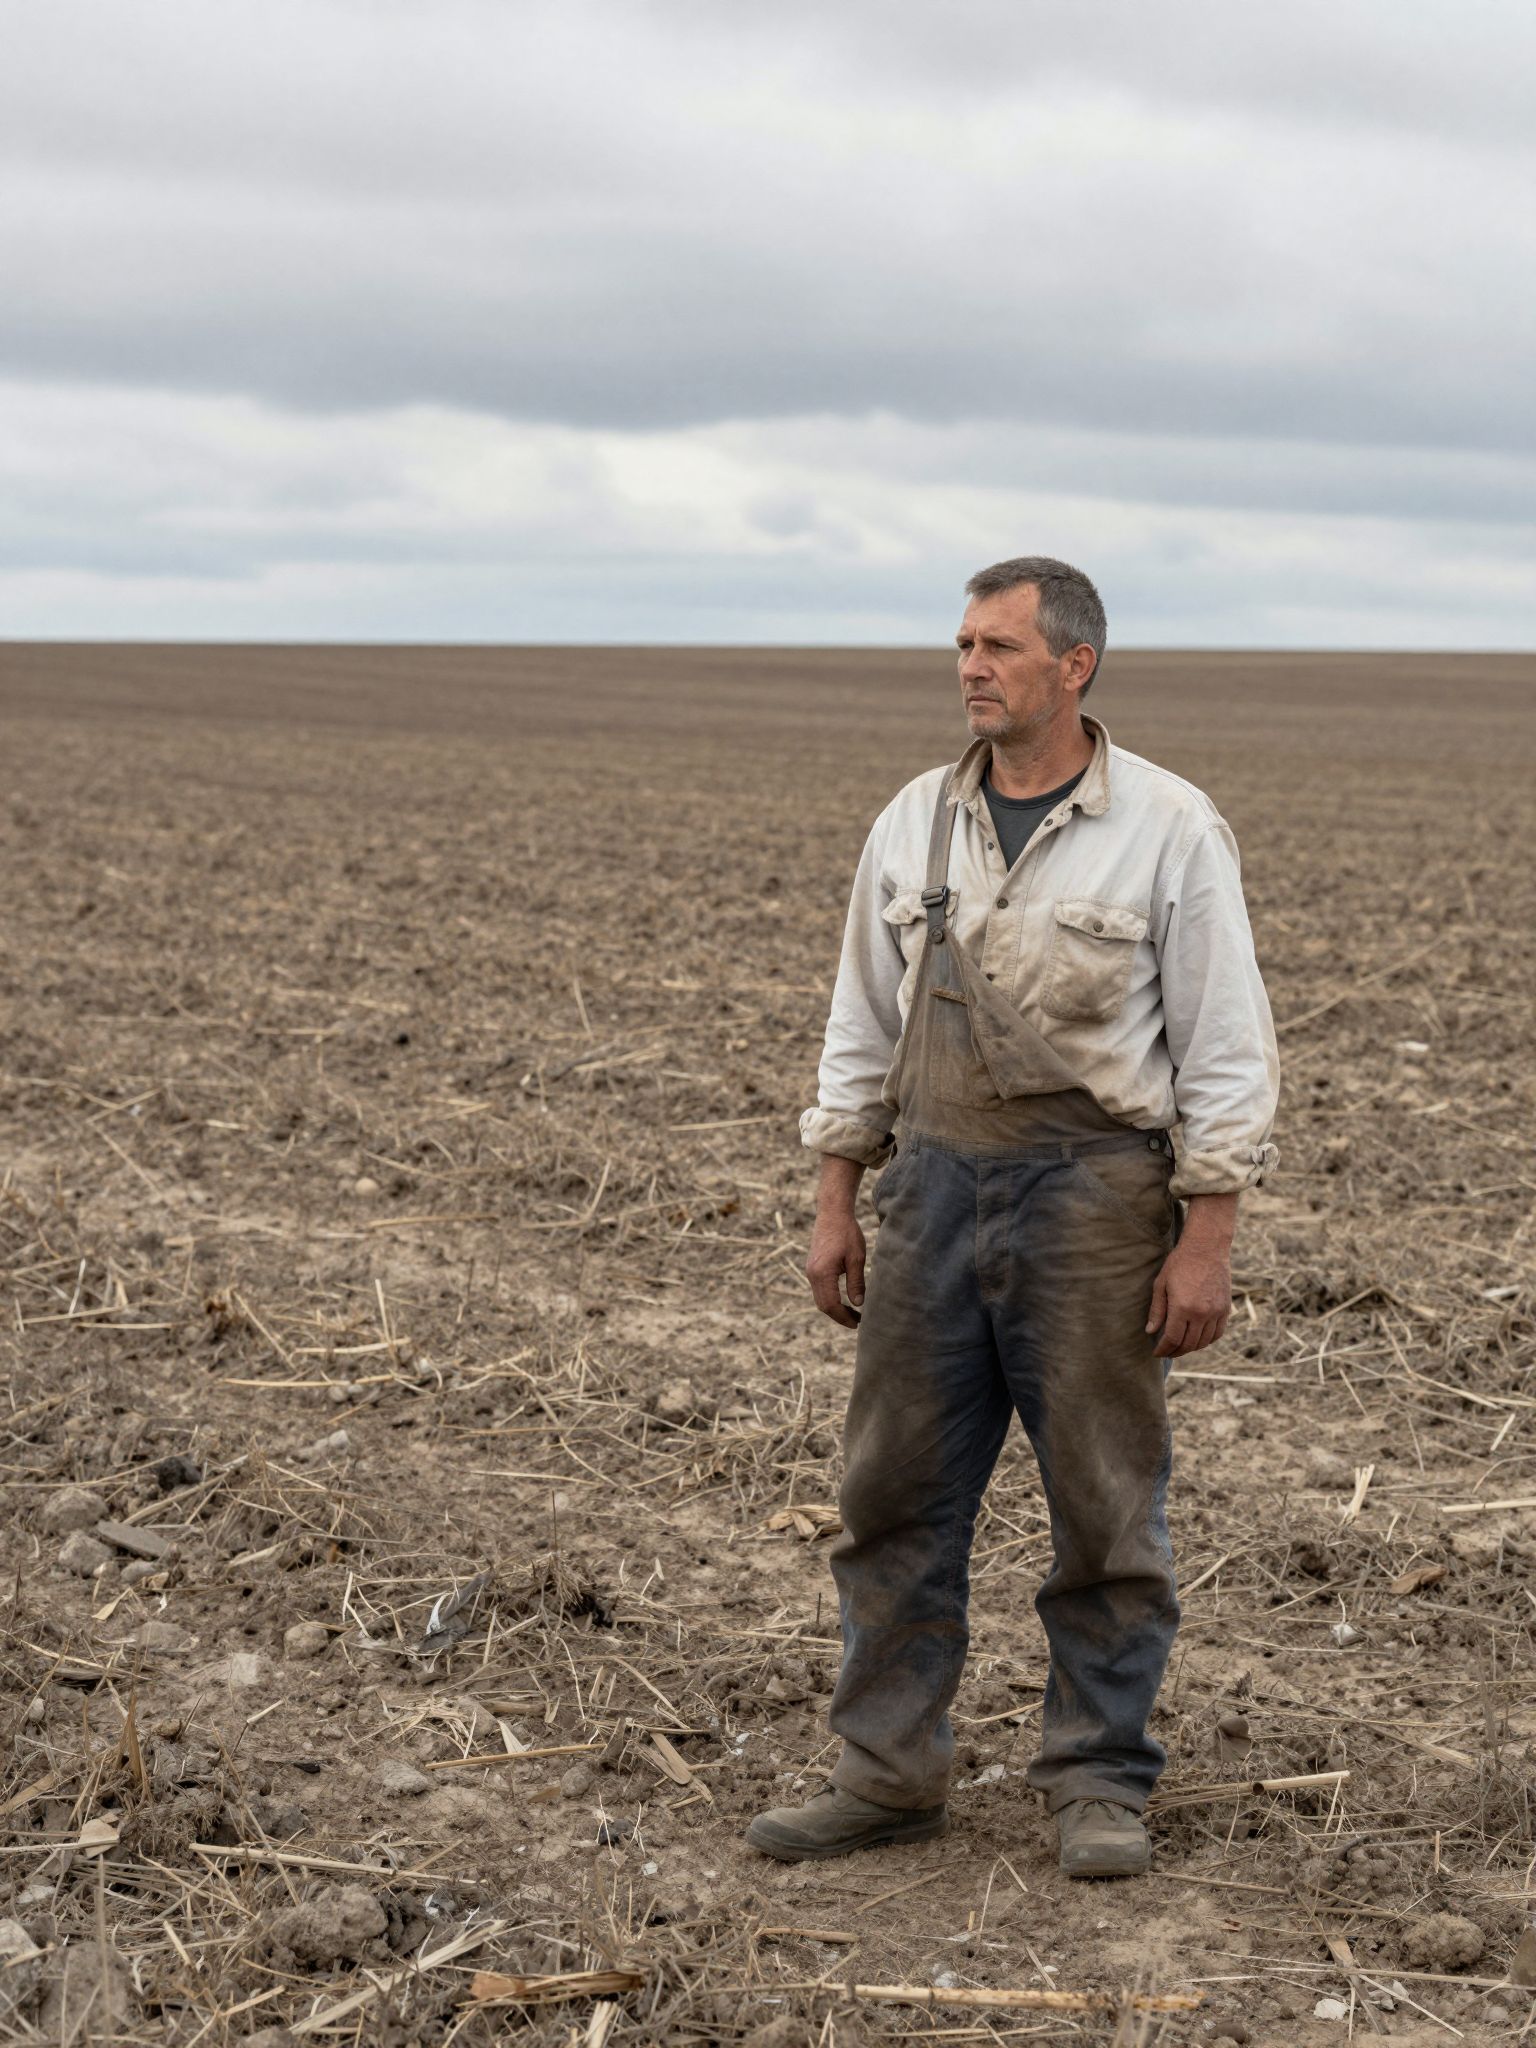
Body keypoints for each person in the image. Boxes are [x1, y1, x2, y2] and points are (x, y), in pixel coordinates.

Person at [746, 557, 1279, 1878]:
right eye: (963, 644)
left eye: (999, 646)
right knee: (890, 1499)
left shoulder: (1169, 827)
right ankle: (886, 1773)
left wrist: (1205, 1233)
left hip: (1096, 1200)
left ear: (1075, 665)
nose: (972, 667)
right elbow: (859, 1021)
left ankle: (1098, 1782)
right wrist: (837, 1198)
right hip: (928, 1189)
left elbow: (1225, 1046)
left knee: (1104, 1508)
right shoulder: (916, 820)